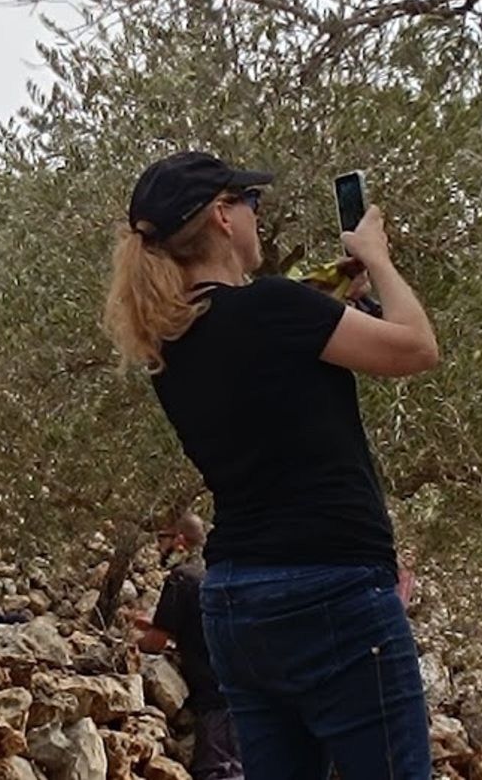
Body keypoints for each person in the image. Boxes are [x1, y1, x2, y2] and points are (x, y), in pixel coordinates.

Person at [104, 151, 441, 780]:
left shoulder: (168, 345)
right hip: (334, 588)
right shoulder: (276, 311)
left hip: (239, 600)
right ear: (223, 218)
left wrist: (322, 303)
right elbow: (417, 347)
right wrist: (377, 258)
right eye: (251, 203)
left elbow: (259, 351)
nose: (259, 216)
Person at [131, 512, 242, 780]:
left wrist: (129, 645)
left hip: (214, 699)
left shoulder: (181, 578)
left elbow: (156, 642)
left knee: (221, 773)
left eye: (162, 539)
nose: (159, 547)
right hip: (241, 690)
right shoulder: (212, 572)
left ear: (179, 540)